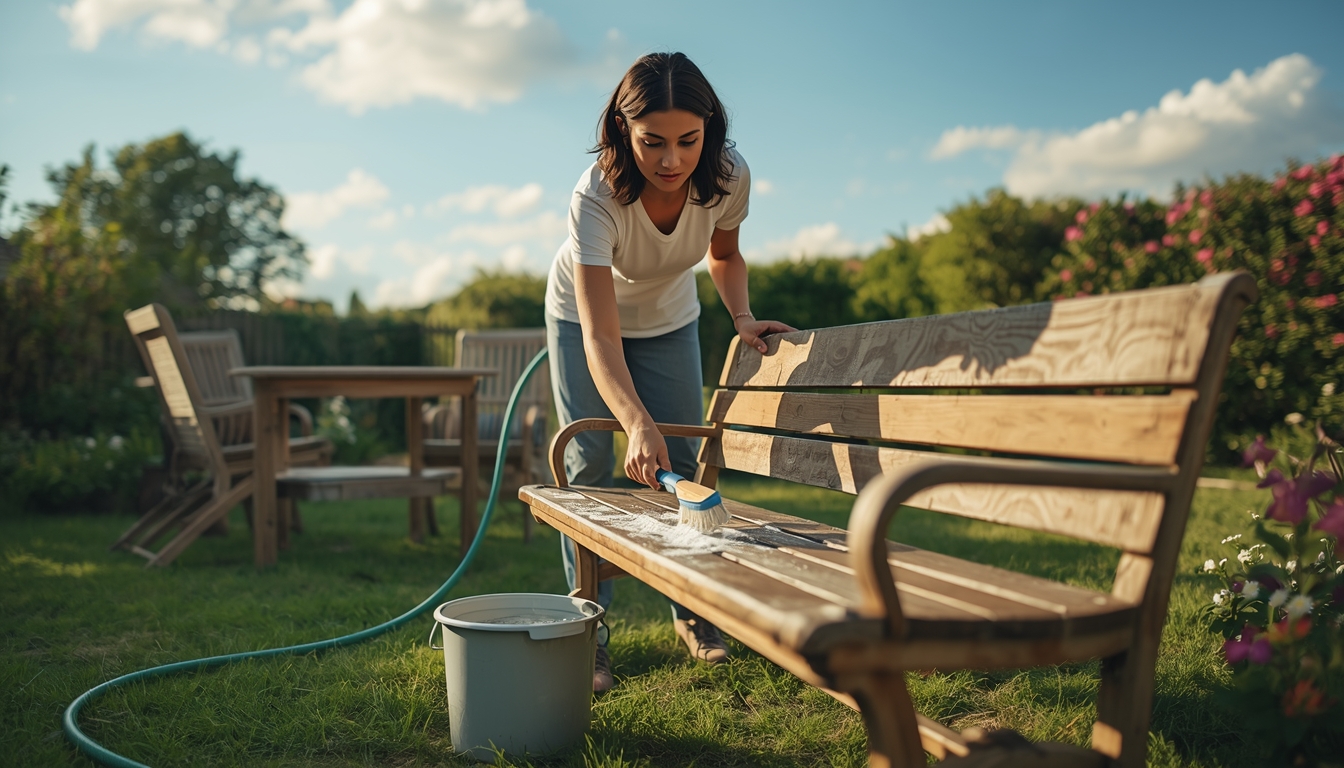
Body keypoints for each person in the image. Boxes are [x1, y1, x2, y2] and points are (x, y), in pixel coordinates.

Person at [544, 52, 795, 693]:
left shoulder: (729, 175)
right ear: (623, 131)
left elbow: (726, 253)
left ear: (710, 128)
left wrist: (740, 315)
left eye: (689, 140)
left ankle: (692, 610)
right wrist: (634, 421)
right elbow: (601, 335)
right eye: (653, 142)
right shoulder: (595, 194)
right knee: (589, 466)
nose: (671, 160)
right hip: (584, 321)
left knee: (679, 458)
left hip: (670, 317)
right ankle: (588, 630)